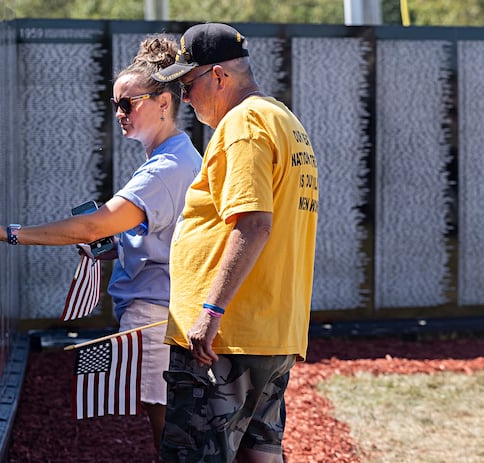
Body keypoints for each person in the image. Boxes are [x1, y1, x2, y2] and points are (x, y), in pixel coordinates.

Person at [0, 35, 202, 458]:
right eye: (115, 104)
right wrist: (115, 250)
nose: (119, 113)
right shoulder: (172, 157)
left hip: (158, 312)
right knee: (169, 423)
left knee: (169, 429)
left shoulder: (166, 168)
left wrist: (9, 233)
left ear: (164, 102)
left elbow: (93, 225)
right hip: (161, 307)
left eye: (128, 103)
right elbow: (165, 239)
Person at [151, 23, 319, 463]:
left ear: (219, 76)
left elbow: (254, 224)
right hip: (269, 332)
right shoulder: (283, 119)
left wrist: (210, 311)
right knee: (260, 454)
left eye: (188, 84)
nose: (184, 99)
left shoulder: (242, 124)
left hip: (225, 339)